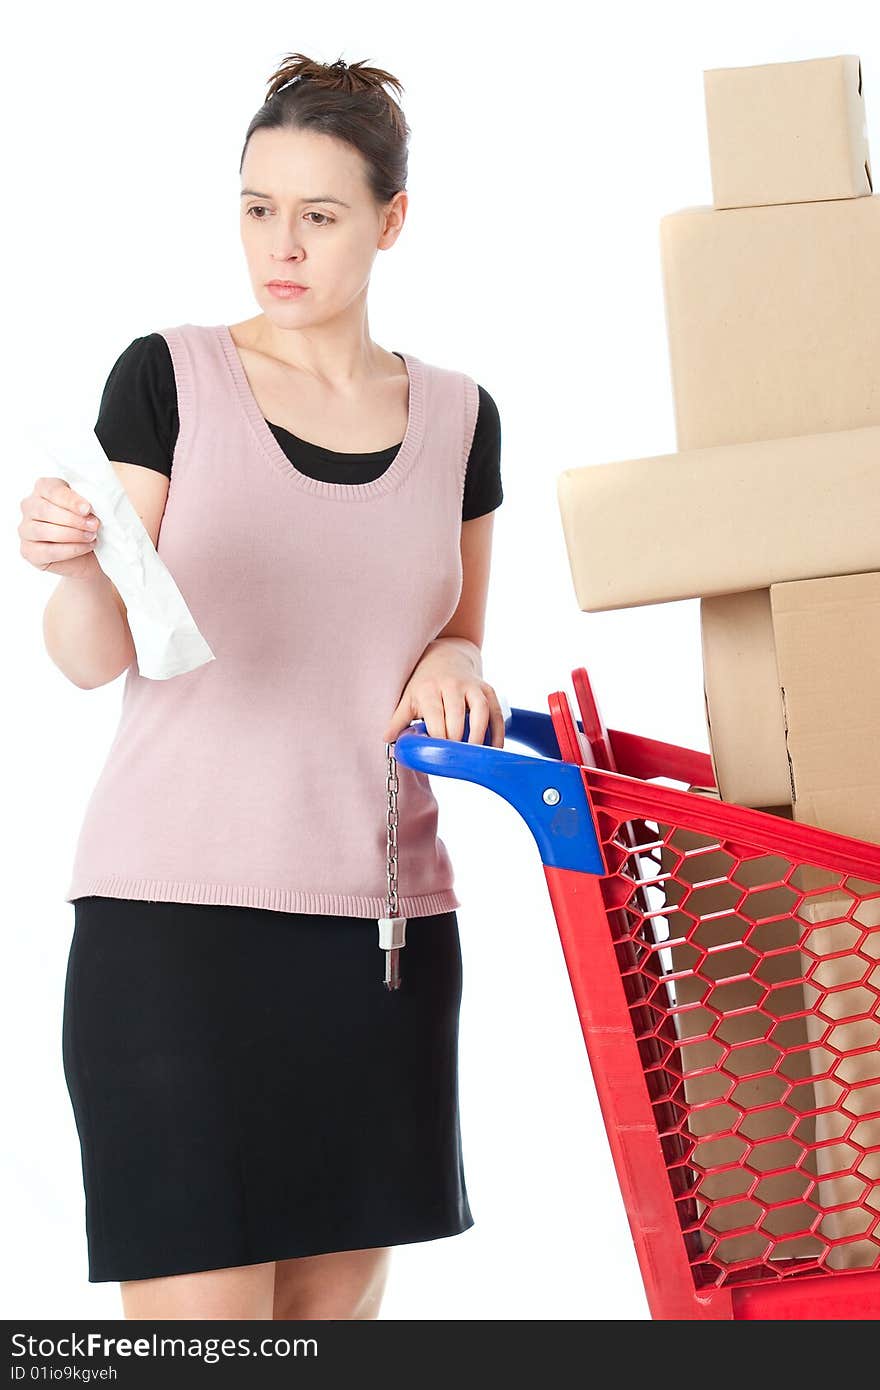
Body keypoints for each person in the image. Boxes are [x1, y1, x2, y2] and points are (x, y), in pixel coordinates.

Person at [18, 52, 504, 1321]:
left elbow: (456, 634)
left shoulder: (458, 417)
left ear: (392, 221)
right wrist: (77, 564)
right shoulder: (169, 377)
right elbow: (91, 652)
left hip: (382, 935)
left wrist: (455, 660)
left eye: (319, 214)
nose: (278, 246)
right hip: (173, 928)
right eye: (256, 208)